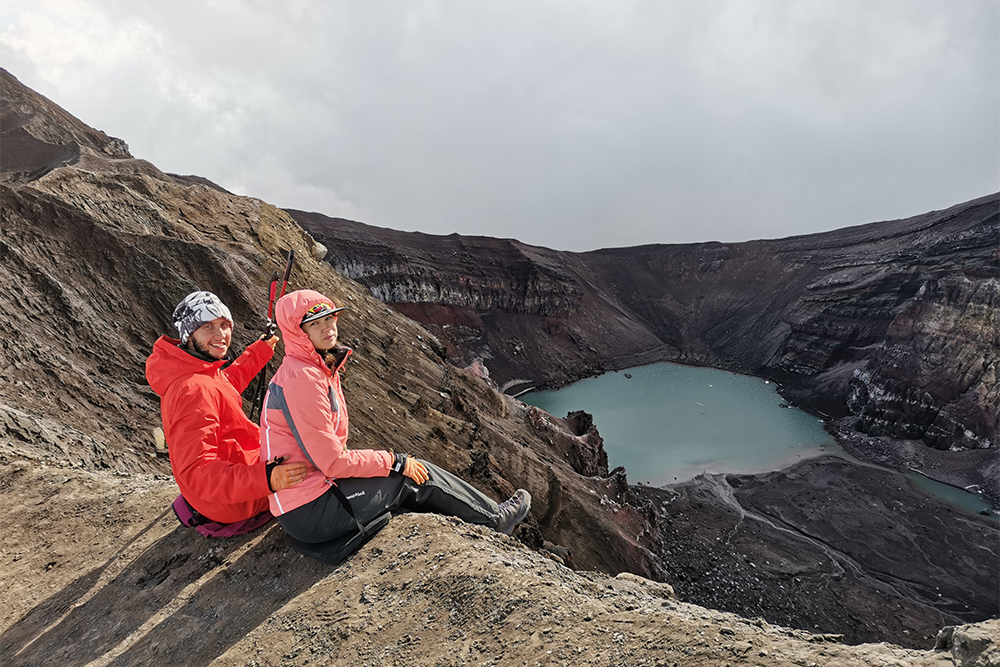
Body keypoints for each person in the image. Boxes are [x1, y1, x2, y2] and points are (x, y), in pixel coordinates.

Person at [260, 288, 531, 545]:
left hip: (309, 500)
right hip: (313, 509)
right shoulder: (304, 378)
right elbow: (332, 461)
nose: (328, 327)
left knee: (405, 473)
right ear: (298, 332)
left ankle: (482, 517)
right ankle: (495, 519)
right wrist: (395, 462)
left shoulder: (311, 368)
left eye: (330, 318)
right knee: (415, 476)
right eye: (315, 323)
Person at [146, 290, 308, 529]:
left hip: (225, 487)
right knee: (314, 456)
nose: (221, 334)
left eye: (224, 324)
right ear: (189, 335)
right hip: (233, 502)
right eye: (208, 327)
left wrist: (260, 351)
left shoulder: (193, 370)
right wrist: (267, 479)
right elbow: (198, 472)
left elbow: (224, 385)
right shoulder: (194, 390)